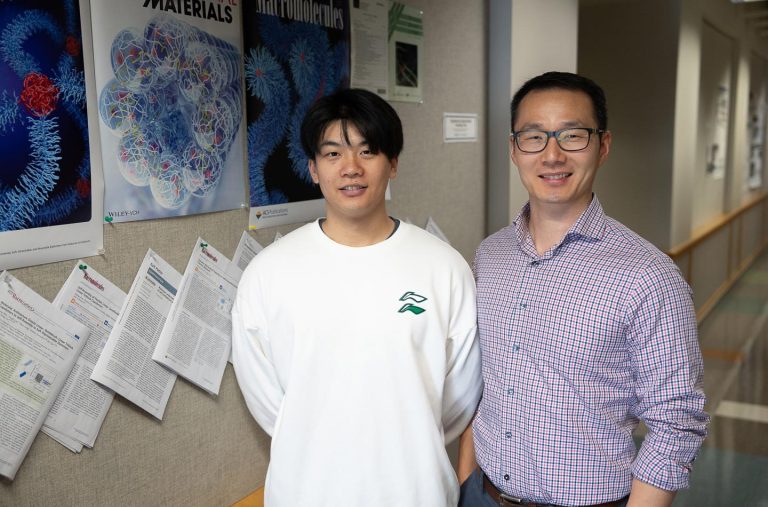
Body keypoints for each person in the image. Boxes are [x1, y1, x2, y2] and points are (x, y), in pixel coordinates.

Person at [457, 72, 709, 507]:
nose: (552, 155)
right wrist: (466, 479)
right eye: (534, 137)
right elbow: (480, 380)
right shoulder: (490, 255)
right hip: (484, 494)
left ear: (603, 145)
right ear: (514, 149)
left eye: (572, 135)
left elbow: (675, 422)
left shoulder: (648, 276)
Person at [231, 88, 482, 506]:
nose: (350, 168)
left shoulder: (443, 267)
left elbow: (457, 397)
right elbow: (271, 405)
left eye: (368, 152)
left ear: (393, 164)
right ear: (312, 168)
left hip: (415, 491)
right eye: (332, 154)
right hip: (306, 491)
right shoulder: (269, 274)